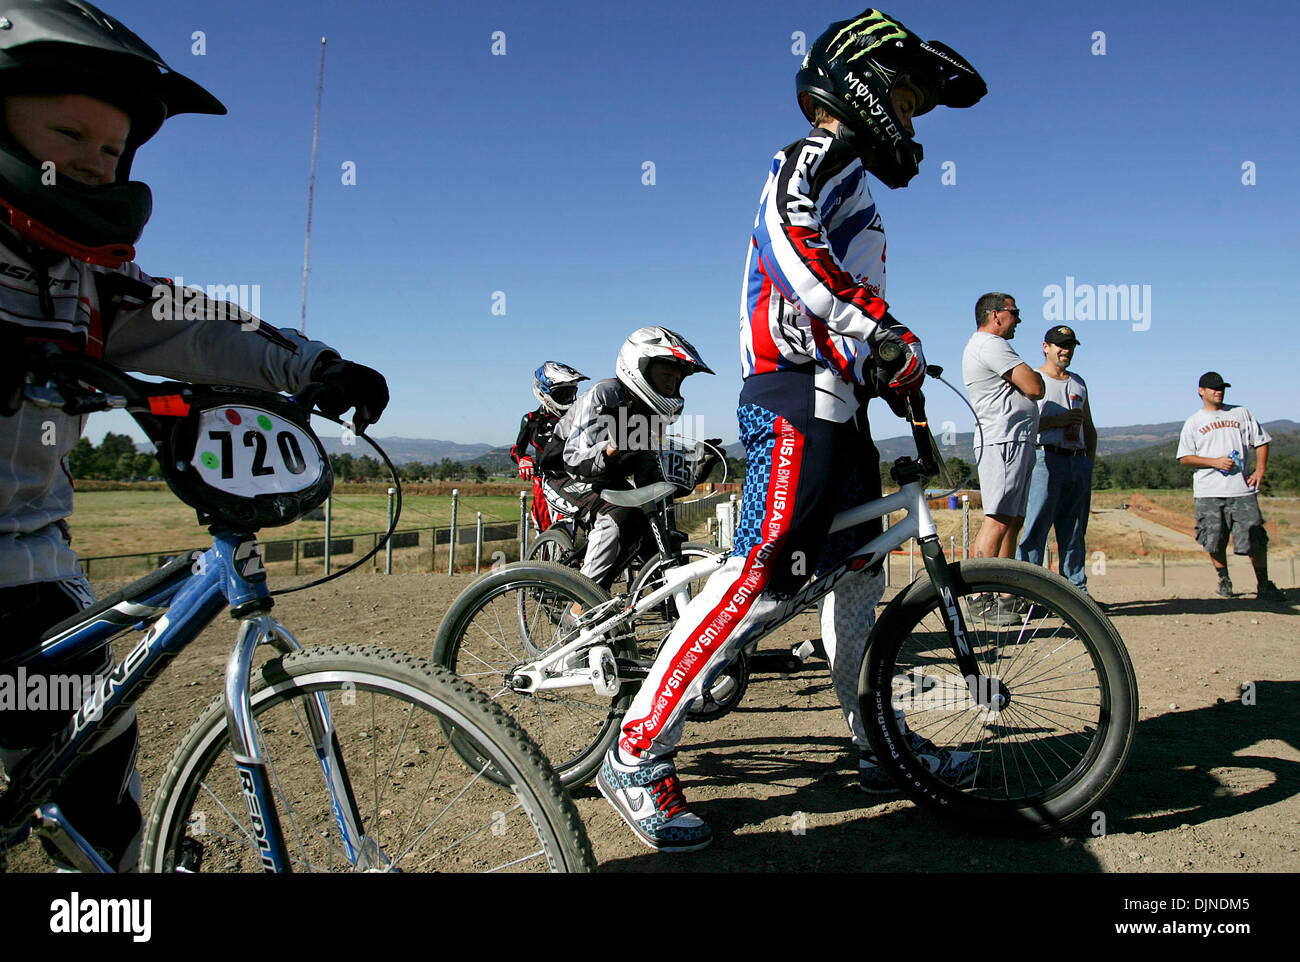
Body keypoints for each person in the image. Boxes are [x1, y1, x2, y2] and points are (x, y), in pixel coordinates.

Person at [0, 0, 388, 872]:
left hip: (35, 576)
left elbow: (199, 325)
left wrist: (314, 365)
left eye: (112, 149)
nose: (96, 163)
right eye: (71, 133)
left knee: (96, 788)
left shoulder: (93, 280)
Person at [597, 8, 987, 851]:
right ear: (864, 84)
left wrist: (887, 371)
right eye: (909, 100)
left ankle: (876, 742)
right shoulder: (810, 156)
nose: (913, 122)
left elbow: (846, 309)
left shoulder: (855, 181)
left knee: (856, 578)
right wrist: (877, 326)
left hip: (835, 405)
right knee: (761, 577)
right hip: (792, 396)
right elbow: (789, 246)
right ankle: (635, 751)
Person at [538, 327, 712, 597]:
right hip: (561, 474)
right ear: (639, 367)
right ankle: (579, 607)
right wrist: (612, 448)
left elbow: (650, 474)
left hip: (604, 476)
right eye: (666, 375)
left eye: (677, 380)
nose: (671, 385)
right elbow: (574, 461)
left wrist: (691, 474)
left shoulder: (652, 412)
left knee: (658, 523)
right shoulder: (605, 394)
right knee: (618, 517)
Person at [1175, 372, 1287, 603]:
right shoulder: (1194, 422)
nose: (1219, 391)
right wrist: (1214, 462)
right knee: (1213, 539)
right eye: (1214, 388)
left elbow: (1262, 441)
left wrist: (1260, 470)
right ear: (1201, 391)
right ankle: (1223, 580)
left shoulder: (1241, 413)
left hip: (1242, 490)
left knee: (1254, 536)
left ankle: (1263, 584)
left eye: (1222, 388)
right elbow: (1185, 458)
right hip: (1209, 491)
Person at [962, 293, 1044, 601]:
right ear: (996, 315)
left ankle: (1005, 594)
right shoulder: (991, 345)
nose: (1018, 319)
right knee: (997, 519)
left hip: (1012, 439)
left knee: (1011, 520)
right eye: (1015, 312)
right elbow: (1036, 386)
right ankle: (977, 596)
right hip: (1003, 440)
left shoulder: (989, 346)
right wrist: (1031, 379)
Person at [1016, 325, 1097, 592]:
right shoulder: (1034, 380)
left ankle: (1077, 593)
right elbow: (1023, 426)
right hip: (1045, 459)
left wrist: (1089, 463)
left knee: (1074, 532)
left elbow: (1089, 426)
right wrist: (1058, 421)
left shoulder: (1079, 382)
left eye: (1070, 345)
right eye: (1060, 345)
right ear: (1046, 347)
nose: (1066, 350)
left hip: (1078, 460)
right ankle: (1028, 592)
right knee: (1035, 529)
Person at [511, 362, 587, 534]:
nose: (569, 400)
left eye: (571, 393)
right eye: (562, 395)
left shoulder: (578, 417)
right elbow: (516, 449)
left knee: (569, 530)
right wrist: (522, 459)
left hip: (572, 480)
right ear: (544, 392)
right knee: (543, 532)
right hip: (542, 484)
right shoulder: (531, 420)